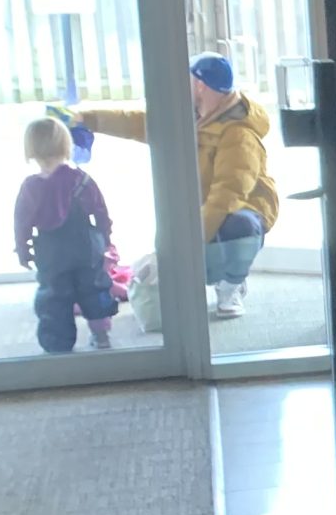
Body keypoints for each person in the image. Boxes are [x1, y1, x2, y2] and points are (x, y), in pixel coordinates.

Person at [78, 54, 278, 320]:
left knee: (239, 228)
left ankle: (231, 284)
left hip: (240, 209)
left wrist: (186, 245)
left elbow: (226, 196)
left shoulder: (238, 135)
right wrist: (86, 119)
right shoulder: (193, 117)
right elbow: (137, 122)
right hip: (205, 205)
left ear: (200, 86)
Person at [15, 115, 116, 353]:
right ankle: (101, 334)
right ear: (66, 145)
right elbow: (101, 212)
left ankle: (57, 345)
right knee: (94, 289)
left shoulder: (30, 187)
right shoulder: (81, 180)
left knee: (54, 297)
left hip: (51, 251)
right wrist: (106, 240)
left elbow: (22, 223)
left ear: (31, 148)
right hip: (85, 246)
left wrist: (23, 250)